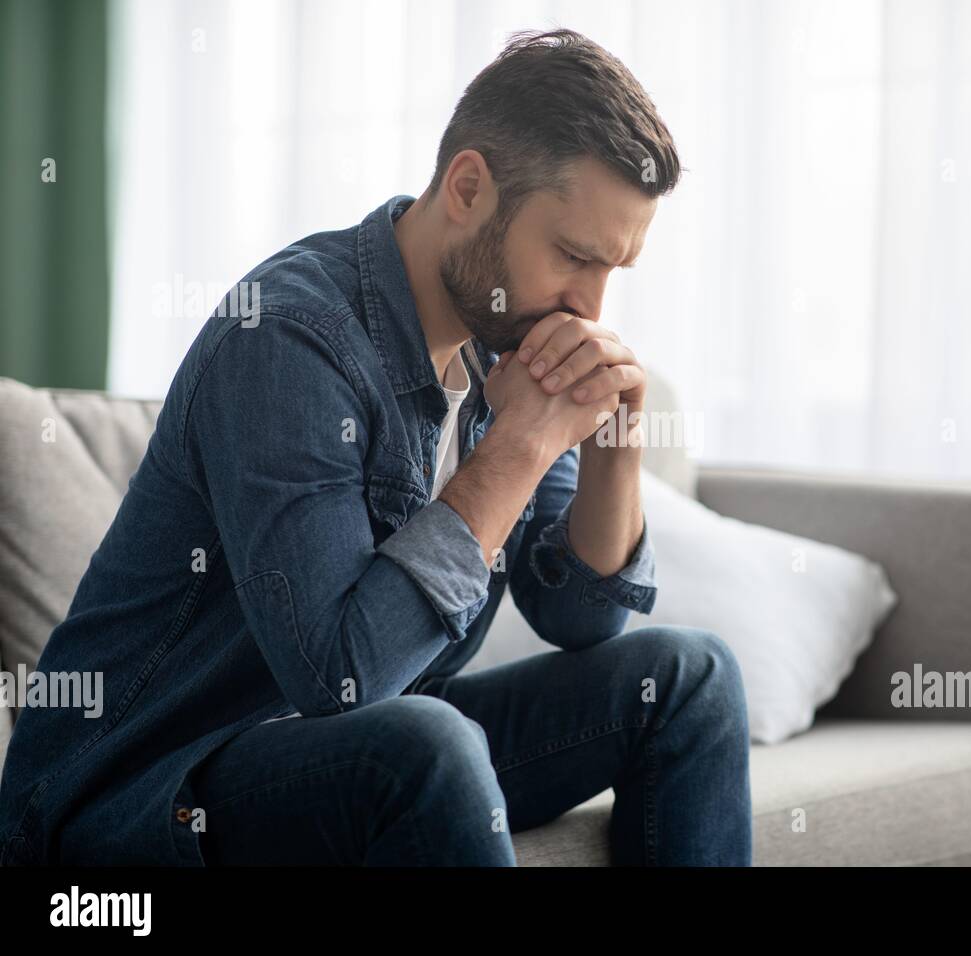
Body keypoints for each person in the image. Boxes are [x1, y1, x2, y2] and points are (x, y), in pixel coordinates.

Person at [0, 28, 751, 867]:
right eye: (574, 256)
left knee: (692, 679)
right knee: (426, 744)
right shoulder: (287, 334)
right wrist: (517, 448)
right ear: (468, 188)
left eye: (615, 269)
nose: (589, 304)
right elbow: (341, 679)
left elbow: (579, 617)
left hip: (352, 751)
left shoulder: (508, 336)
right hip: (136, 795)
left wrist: (614, 442)